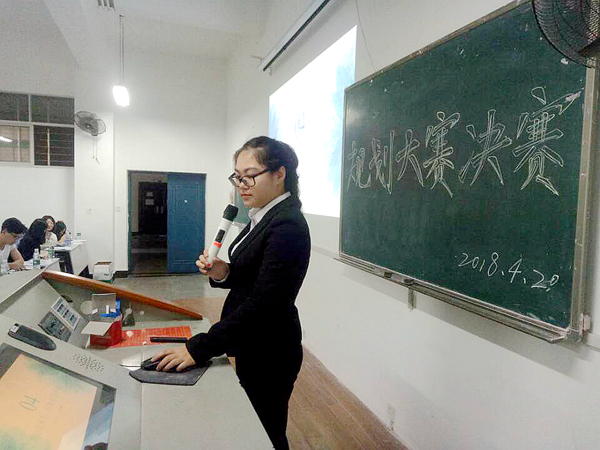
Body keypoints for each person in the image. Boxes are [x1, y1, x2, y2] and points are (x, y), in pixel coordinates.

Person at [151, 136, 311, 450]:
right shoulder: (263, 215)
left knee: (266, 433)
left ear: (279, 173)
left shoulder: (287, 224)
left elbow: (266, 303)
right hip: (253, 342)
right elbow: (250, 277)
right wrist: (222, 271)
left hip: (272, 348)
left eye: (249, 176)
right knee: (254, 424)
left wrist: (200, 347)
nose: (241, 185)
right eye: (237, 176)